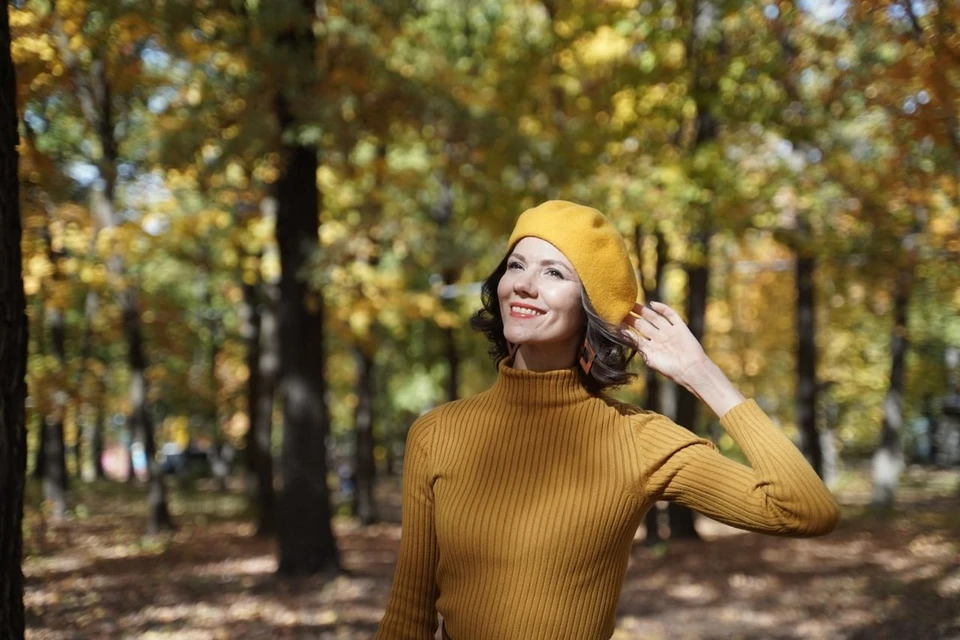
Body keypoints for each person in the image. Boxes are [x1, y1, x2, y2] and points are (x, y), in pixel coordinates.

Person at [376, 200, 840, 640]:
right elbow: (408, 611)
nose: (523, 284)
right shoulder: (437, 433)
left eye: (554, 272)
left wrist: (701, 374)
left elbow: (804, 509)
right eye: (516, 265)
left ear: (591, 307)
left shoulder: (638, 441)